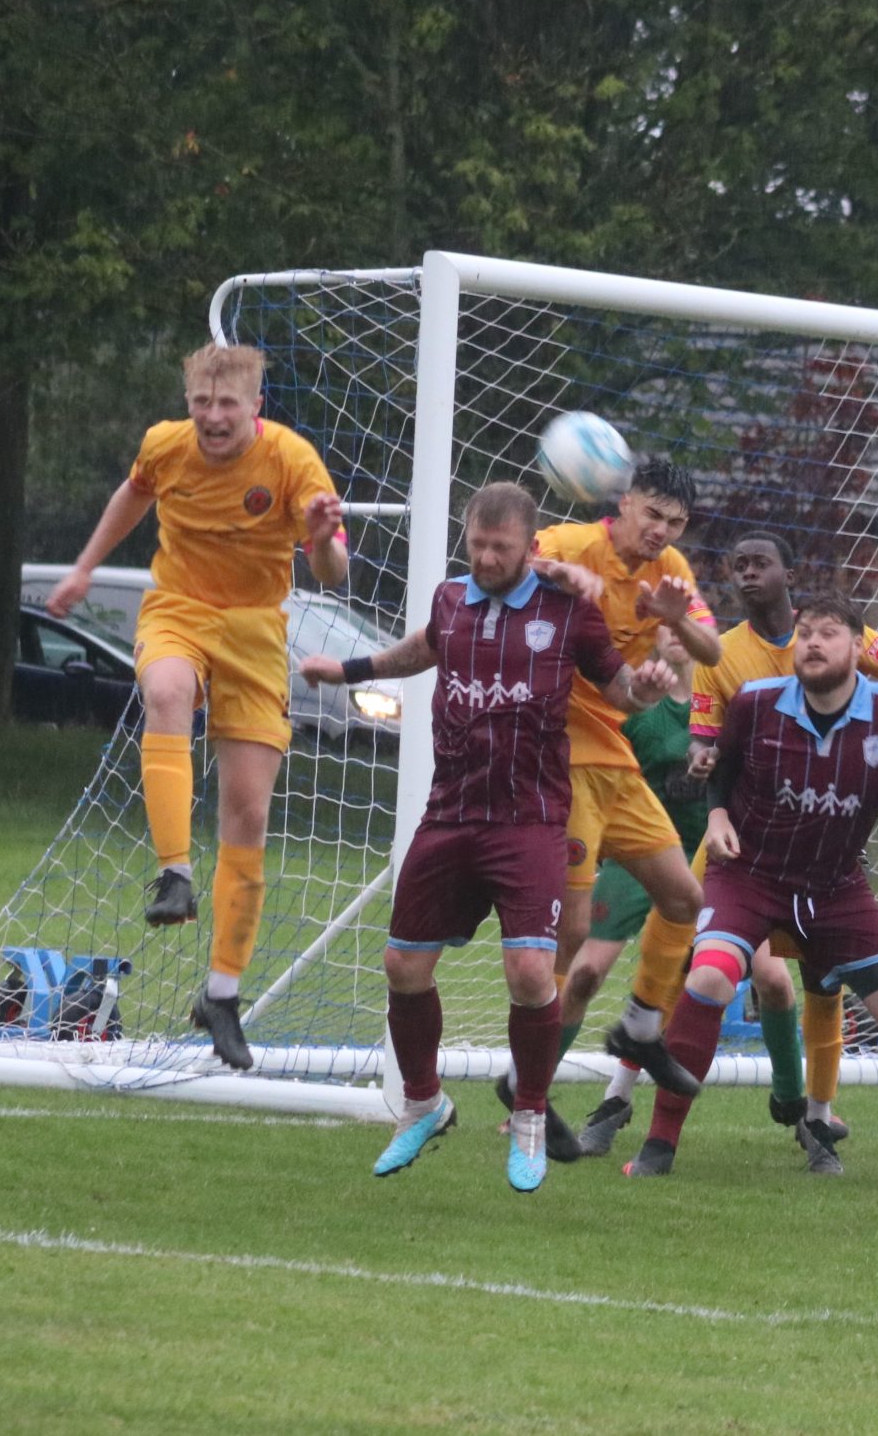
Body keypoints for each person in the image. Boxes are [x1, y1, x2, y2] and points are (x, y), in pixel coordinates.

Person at [297, 482, 674, 1190]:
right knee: (403, 965)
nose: (486, 556)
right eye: (477, 543)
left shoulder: (567, 610)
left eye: (501, 547)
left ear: (532, 548)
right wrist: (350, 668)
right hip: (451, 812)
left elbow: (621, 688)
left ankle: (529, 1115)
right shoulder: (450, 599)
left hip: (529, 819)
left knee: (531, 973)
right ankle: (424, 1104)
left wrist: (649, 687)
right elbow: (426, 648)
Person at [596, 528, 878, 1171]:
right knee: (681, 962)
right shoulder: (723, 656)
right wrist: (705, 770)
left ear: (788, 572)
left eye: (762, 564)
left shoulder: (839, 637)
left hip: (825, 858)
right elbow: (707, 740)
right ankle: (618, 1102)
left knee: (816, 980)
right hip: (740, 846)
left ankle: (816, 1116)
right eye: (739, 565)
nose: (749, 574)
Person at [48, 343, 347, 1069]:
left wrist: (317, 532)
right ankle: (174, 872)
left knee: (248, 813)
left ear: (256, 408)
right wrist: (86, 566)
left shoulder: (296, 463)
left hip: (254, 628)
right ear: (189, 406)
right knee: (167, 690)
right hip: (177, 608)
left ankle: (221, 993)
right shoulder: (164, 444)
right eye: (201, 405)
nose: (213, 419)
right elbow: (134, 492)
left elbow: (334, 570)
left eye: (227, 407)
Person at [550, 625, 808, 1162]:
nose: (677, 636)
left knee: (775, 979)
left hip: (723, 858)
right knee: (585, 974)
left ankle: (795, 1101)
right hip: (644, 859)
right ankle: (532, 1096)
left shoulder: (731, 701)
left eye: (690, 625)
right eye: (665, 628)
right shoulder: (636, 706)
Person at [529, 459, 724, 1102]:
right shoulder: (567, 541)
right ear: (625, 503)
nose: (661, 530)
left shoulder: (672, 572)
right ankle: (529, 1081)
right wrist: (559, 574)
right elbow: (501, 569)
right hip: (559, 745)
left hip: (611, 753)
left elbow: (712, 651)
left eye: (675, 522)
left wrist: (678, 620)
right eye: (653, 514)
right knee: (573, 937)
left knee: (684, 900)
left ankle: (640, 1030)